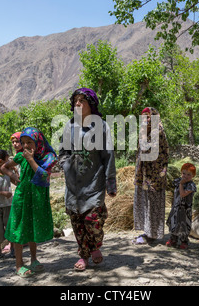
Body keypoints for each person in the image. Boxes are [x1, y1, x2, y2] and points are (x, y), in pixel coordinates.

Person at [59, 87, 117, 271]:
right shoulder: (70, 125)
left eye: (82, 100)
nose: (77, 103)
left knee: (93, 219)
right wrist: (65, 165)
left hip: (95, 180)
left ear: (91, 104)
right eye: (75, 100)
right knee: (77, 220)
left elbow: (108, 155)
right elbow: (63, 151)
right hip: (74, 182)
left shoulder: (101, 126)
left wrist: (110, 182)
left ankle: (95, 246)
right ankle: (84, 255)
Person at [1, 127, 57, 278]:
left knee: (32, 228)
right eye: (23, 142)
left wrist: (31, 160)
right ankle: (19, 264)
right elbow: (4, 167)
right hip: (22, 198)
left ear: (38, 142)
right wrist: (14, 177)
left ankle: (34, 259)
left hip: (37, 199)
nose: (25, 146)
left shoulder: (49, 157)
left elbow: (44, 174)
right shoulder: (20, 156)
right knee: (19, 229)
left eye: (29, 142)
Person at [133, 107, 169, 245]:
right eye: (143, 117)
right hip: (145, 174)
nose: (145, 120)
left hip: (154, 175)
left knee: (152, 203)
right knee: (145, 202)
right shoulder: (146, 130)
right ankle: (148, 232)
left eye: (148, 117)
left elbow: (147, 149)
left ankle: (152, 234)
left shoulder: (157, 130)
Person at [166, 163, 197, 249]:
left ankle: (184, 241)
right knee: (174, 222)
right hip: (176, 207)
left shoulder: (191, 185)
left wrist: (181, 184)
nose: (185, 176)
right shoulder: (177, 181)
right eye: (184, 173)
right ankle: (173, 239)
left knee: (183, 224)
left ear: (193, 176)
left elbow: (183, 194)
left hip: (185, 209)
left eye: (189, 174)